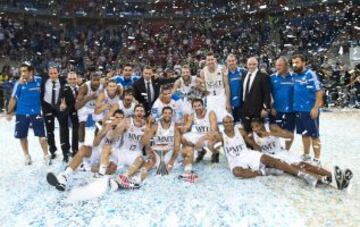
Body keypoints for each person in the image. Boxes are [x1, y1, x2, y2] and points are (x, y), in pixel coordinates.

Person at [250, 118, 353, 190]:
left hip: (282, 152)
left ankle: (331, 175)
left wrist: (272, 134)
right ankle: (327, 181)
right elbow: (259, 151)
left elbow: (290, 136)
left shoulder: (271, 127)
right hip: (274, 157)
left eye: (257, 126)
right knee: (299, 168)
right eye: (253, 127)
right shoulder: (254, 136)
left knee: (304, 165)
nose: (256, 129)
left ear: (262, 124)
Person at [221, 115, 319, 187]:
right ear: (223, 124)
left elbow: (253, 144)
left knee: (274, 161)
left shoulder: (241, 131)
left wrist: (258, 151)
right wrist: (212, 146)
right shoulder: (221, 135)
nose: (228, 124)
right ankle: (263, 172)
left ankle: (303, 175)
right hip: (235, 160)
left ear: (233, 122)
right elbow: (212, 145)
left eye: (230, 121)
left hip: (249, 154)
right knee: (237, 172)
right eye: (226, 122)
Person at [46, 110, 124, 191]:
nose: (118, 120)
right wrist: (106, 128)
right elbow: (96, 142)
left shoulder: (125, 128)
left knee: (111, 165)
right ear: (112, 118)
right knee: (84, 149)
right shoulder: (104, 125)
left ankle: (96, 172)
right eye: (117, 117)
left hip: (111, 155)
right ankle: (64, 176)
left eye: (121, 118)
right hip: (99, 152)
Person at [6, 62, 49, 165]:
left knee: (42, 136)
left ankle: (46, 155)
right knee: (22, 136)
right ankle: (27, 156)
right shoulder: (18, 84)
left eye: (25, 71)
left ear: (31, 71)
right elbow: (13, 99)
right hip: (21, 113)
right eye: (21, 71)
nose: (23, 74)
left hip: (36, 113)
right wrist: (9, 112)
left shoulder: (39, 80)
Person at [100, 104, 146, 189]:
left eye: (141, 111)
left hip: (135, 154)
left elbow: (146, 144)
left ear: (144, 114)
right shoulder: (127, 122)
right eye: (137, 111)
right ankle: (101, 174)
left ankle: (124, 177)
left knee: (141, 160)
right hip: (122, 152)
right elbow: (114, 135)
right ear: (134, 113)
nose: (139, 113)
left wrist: (146, 132)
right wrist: (116, 127)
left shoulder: (147, 126)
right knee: (107, 147)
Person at [179, 98, 222, 182]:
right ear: (193, 107)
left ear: (203, 105)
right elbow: (187, 127)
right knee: (183, 138)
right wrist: (182, 126)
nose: (197, 108)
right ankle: (200, 151)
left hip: (212, 135)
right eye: (195, 106)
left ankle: (215, 153)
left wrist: (201, 140)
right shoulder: (192, 115)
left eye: (199, 105)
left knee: (211, 144)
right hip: (199, 135)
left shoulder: (210, 113)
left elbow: (213, 130)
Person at [292, 54, 323, 165]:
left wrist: (315, 108)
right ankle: (306, 155)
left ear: (304, 62)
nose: (295, 65)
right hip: (298, 110)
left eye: (297, 62)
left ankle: (317, 159)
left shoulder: (310, 74)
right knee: (304, 134)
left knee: (314, 135)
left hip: (309, 111)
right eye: (293, 62)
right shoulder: (295, 75)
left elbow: (319, 91)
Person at [140, 106, 181, 180]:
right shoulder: (155, 126)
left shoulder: (175, 127)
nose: (167, 115)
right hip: (157, 152)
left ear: (172, 115)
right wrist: (150, 153)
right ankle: (138, 177)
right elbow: (146, 141)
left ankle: (187, 173)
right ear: (162, 114)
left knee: (169, 170)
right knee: (150, 162)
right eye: (165, 113)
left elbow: (177, 146)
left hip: (169, 153)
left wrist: (171, 161)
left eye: (169, 113)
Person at [41, 63, 70, 162]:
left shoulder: (63, 80)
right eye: (51, 73)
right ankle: (52, 151)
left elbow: (66, 92)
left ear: (58, 73)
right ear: (48, 74)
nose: (53, 75)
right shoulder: (43, 80)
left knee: (64, 129)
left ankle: (65, 151)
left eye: (55, 73)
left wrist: (64, 103)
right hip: (47, 107)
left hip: (60, 107)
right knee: (49, 131)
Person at [269, 56, 295, 150]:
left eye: (280, 65)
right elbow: (268, 94)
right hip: (276, 110)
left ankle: (287, 151)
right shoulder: (271, 78)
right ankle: (276, 149)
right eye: (276, 65)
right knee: (274, 130)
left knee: (290, 133)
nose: (277, 67)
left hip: (291, 111)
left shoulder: (294, 77)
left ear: (286, 66)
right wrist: (271, 107)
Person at [241, 57, 271, 132]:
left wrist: (265, 108)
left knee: (259, 131)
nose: (252, 66)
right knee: (247, 130)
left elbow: (267, 93)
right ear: (246, 65)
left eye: (254, 64)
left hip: (258, 109)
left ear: (257, 65)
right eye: (250, 64)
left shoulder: (263, 76)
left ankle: (261, 144)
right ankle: (249, 144)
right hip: (245, 108)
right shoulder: (244, 75)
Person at [200, 52, 231, 122]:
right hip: (211, 98)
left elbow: (227, 85)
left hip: (221, 96)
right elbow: (204, 88)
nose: (210, 61)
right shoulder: (202, 72)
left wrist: (228, 102)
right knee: (212, 119)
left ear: (215, 60)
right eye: (208, 60)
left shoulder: (222, 68)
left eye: (212, 59)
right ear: (206, 61)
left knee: (225, 118)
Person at [75, 73, 103, 146]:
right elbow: (77, 106)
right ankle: (81, 145)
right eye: (94, 80)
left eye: (98, 80)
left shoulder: (102, 86)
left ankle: (96, 143)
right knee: (81, 123)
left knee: (100, 124)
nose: (96, 82)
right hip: (85, 106)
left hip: (96, 106)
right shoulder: (84, 87)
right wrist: (89, 98)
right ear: (90, 80)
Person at [60, 71, 79, 156]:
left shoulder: (80, 88)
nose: (72, 81)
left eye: (74, 79)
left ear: (77, 79)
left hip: (76, 111)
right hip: (66, 111)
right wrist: (62, 103)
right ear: (67, 79)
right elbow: (62, 99)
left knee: (76, 131)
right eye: (70, 79)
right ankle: (65, 151)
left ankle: (75, 150)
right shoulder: (63, 88)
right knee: (64, 130)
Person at [226, 54, 247, 122]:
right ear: (227, 62)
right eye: (229, 61)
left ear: (236, 61)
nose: (231, 63)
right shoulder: (225, 74)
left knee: (243, 126)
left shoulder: (243, 71)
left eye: (233, 60)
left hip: (242, 104)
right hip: (230, 105)